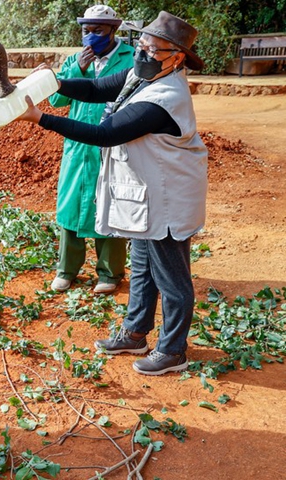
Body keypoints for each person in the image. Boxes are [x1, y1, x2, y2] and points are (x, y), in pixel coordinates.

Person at [14, 11, 208, 376]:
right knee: (141, 268)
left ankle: (173, 351)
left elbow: (106, 134)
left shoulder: (166, 97)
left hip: (168, 196)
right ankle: (135, 333)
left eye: (154, 49)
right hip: (148, 190)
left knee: (172, 277)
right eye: (143, 45)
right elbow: (95, 89)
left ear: (177, 57)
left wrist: (40, 119)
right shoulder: (144, 74)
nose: (143, 54)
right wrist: (54, 81)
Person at [48, 4, 135, 295]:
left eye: (98, 31)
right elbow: (56, 103)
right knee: (70, 207)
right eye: (86, 31)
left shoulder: (130, 59)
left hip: (113, 146)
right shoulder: (74, 60)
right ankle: (66, 271)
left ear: (113, 31)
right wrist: (77, 69)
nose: (90, 37)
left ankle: (110, 273)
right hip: (78, 147)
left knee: (110, 207)